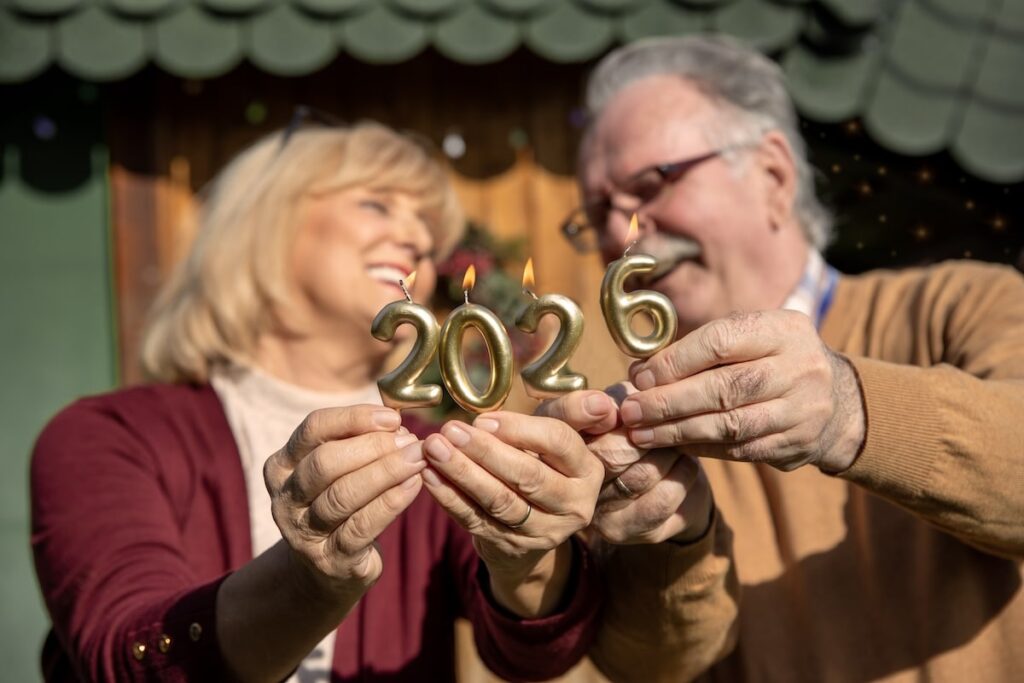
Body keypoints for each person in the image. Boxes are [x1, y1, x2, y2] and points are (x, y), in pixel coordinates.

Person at [30, 119, 606, 682]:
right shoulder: (107, 436)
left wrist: (526, 553)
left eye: (429, 235)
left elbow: (533, 650)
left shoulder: (435, 452)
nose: (417, 242)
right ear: (262, 227)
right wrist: (310, 582)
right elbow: (126, 655)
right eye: (377, 205)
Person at [543, 35, 1024, 681]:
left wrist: (847, 409)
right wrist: (669, 537)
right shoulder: (633, 415)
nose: (614, 233)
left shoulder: (962, 302)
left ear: (772, 175)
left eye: (650, 184)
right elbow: (648, 664)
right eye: (598, 211)